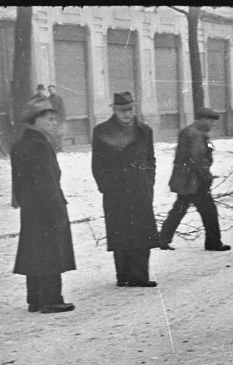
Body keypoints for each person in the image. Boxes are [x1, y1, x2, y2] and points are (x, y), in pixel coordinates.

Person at [11, 97, 76, 313]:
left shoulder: (20, 144)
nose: (54, 123)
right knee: (50, 253)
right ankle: (51, 300)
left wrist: (23, 201)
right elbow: (47, 183)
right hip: (46, 207)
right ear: (36, 121)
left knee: (35, 251)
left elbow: (17, 183)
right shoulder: (39, 146)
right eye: (49, 119)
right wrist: (58, 213)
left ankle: (35, 299)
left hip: (31, 209)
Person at [92, 91, 161, 288]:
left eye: (130, 109)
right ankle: (123, 276)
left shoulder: (144, 131)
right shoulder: (101, 131)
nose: (127, 114)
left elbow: (150, 160)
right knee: (120, 232)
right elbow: (97, 163)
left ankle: (140, 276)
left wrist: (149, 182)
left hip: (140, 190)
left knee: (141, 232)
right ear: (114, 110)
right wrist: (106, 186)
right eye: (122, 110)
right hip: (116, 191)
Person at [159, 107, 230, 251]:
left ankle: (162, 239)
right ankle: (213, 242)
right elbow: (198, 159)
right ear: (201, 120)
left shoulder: (192, 132)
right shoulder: (195, 134)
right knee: (209, 212)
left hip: (186, 180)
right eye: (210, 121)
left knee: (179, 209)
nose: (212, 124)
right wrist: (206, 177)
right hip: (195, 180)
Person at [47, 85, 67, 151]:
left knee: (59, 135)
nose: (51, 91)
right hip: (51, 120)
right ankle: (55, 149)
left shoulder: (59, 98)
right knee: (52, 135)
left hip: (59, 119)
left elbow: (63, 109)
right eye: (49, 90)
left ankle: (60, 149)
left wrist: (61, 119)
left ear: (55, 90)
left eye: (52, 89)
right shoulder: (48, 99)